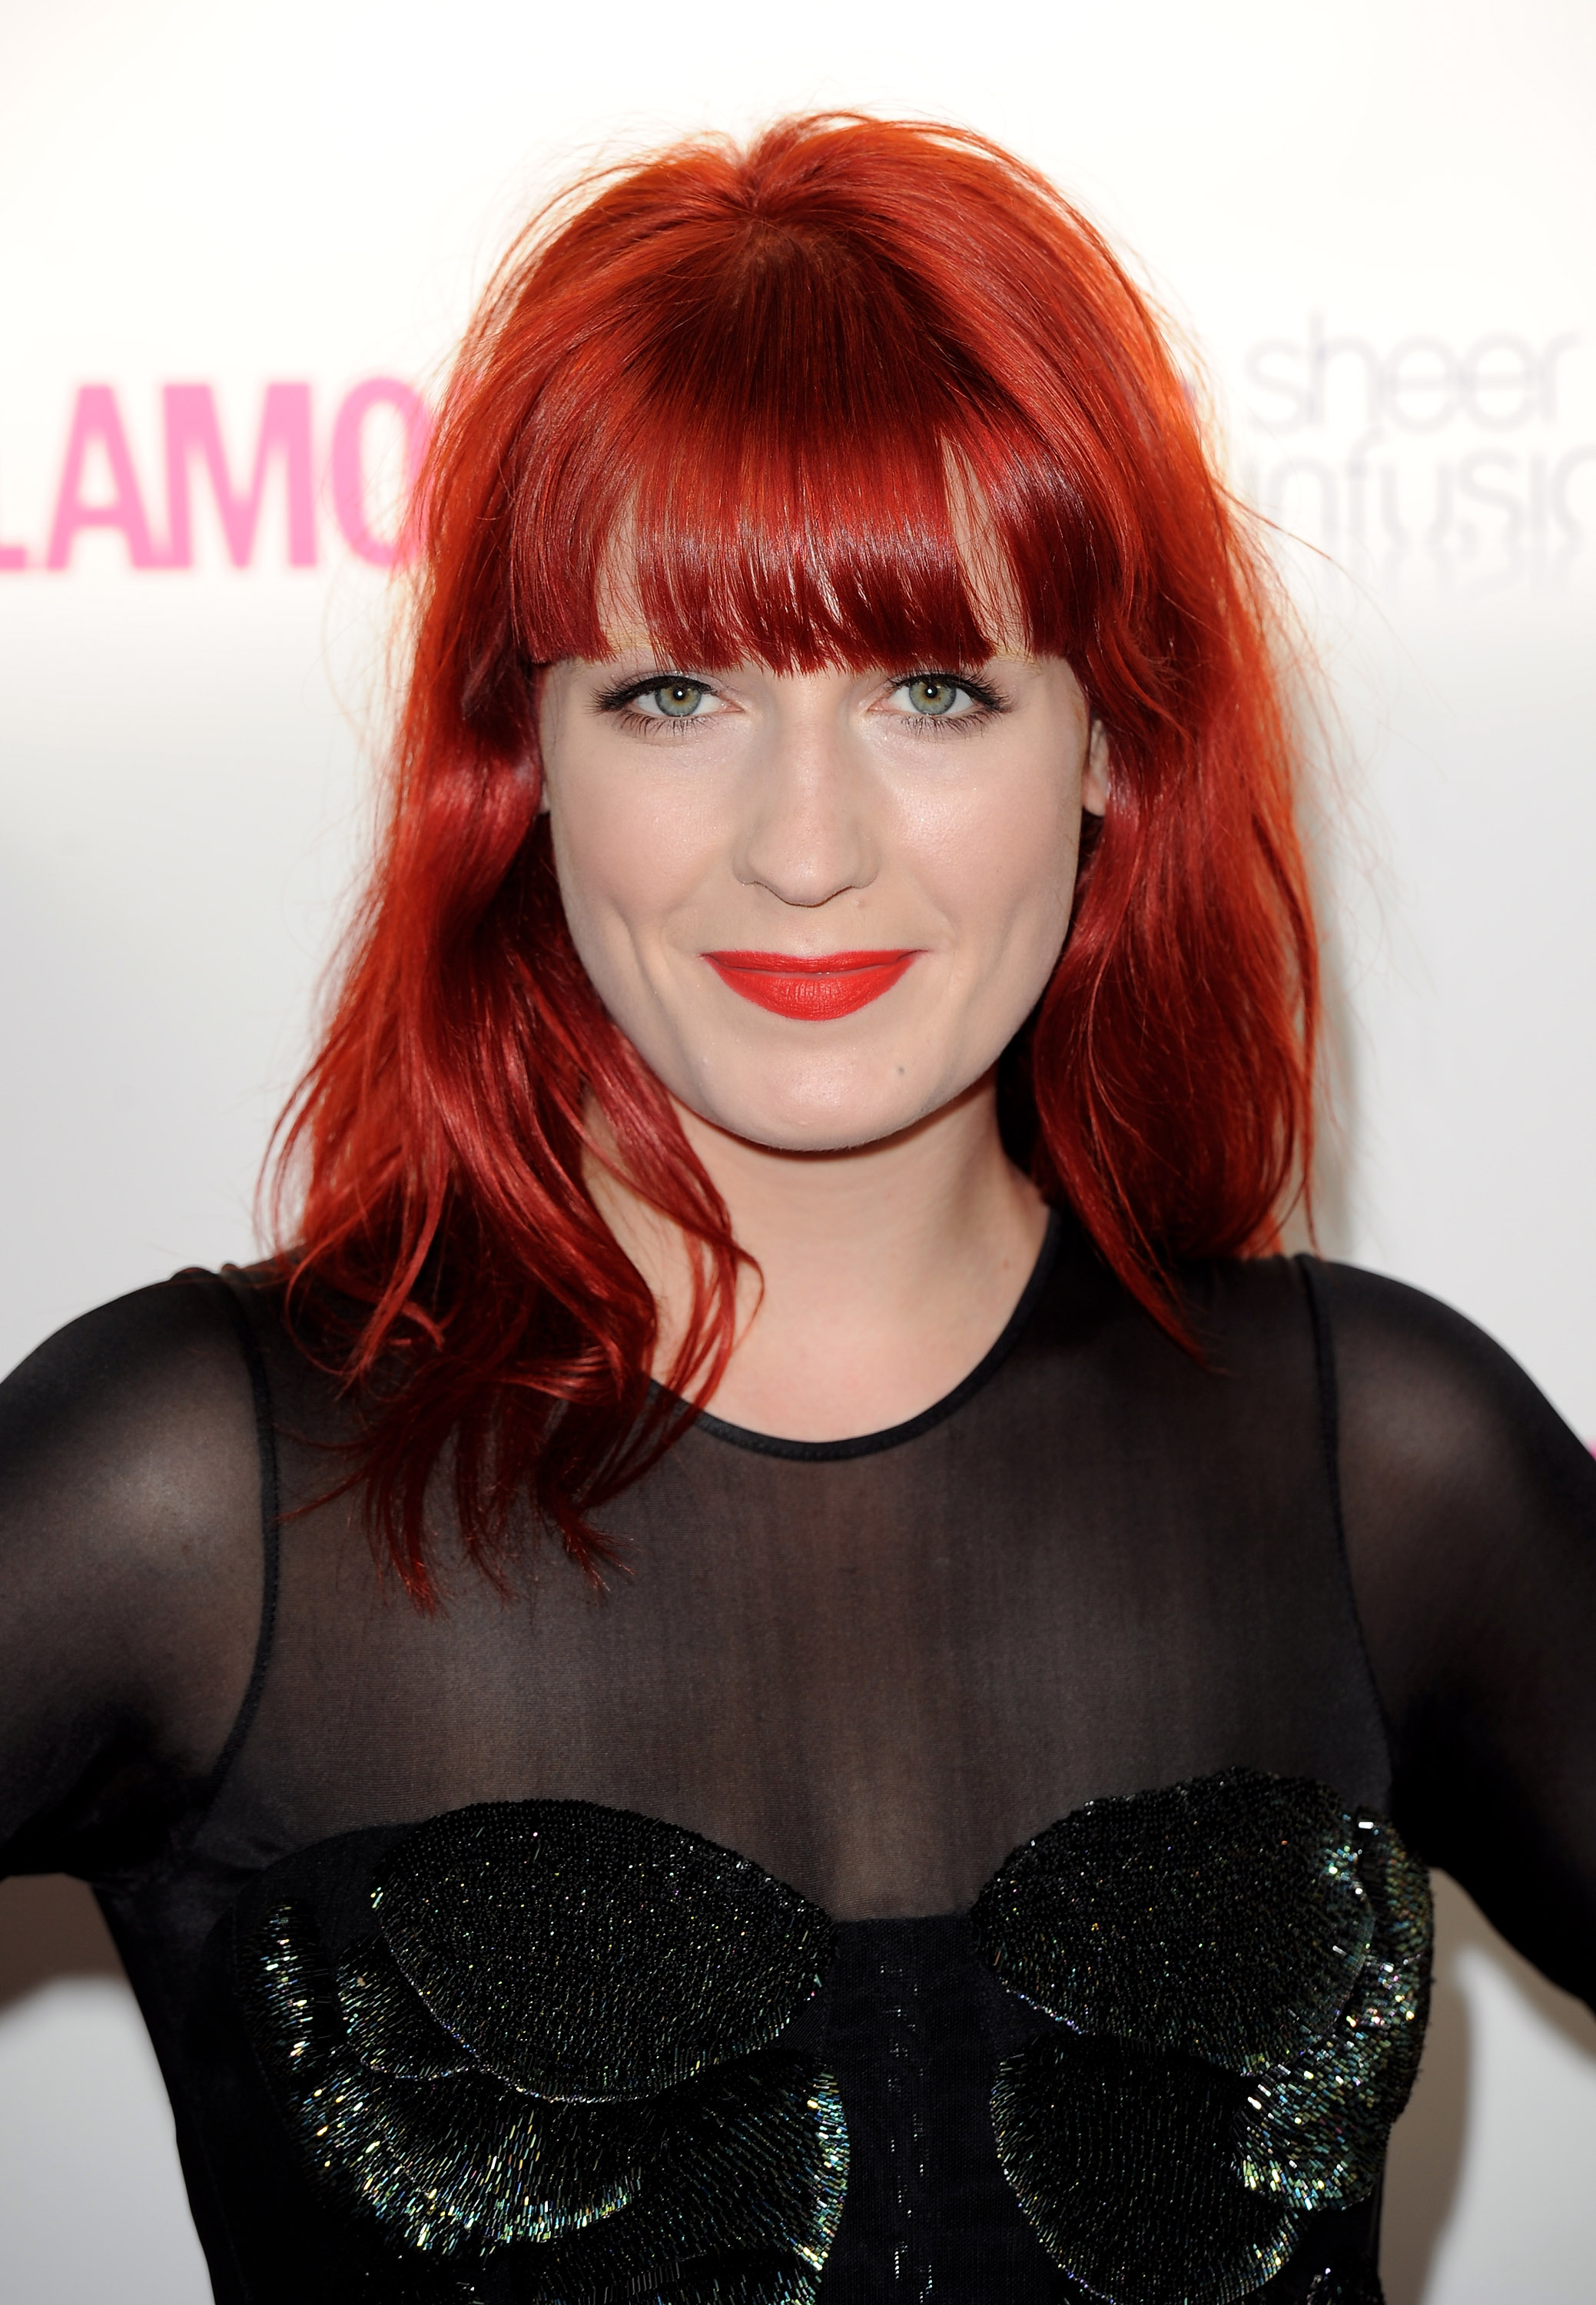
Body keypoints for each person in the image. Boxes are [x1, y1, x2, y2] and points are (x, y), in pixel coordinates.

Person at [2, 111, 1593, 2305]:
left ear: (1109, 743)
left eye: (935, 690)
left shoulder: (1385, 1465)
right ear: (526, 756)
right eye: (676, 694)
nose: (809, 847)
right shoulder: (196, 1488)